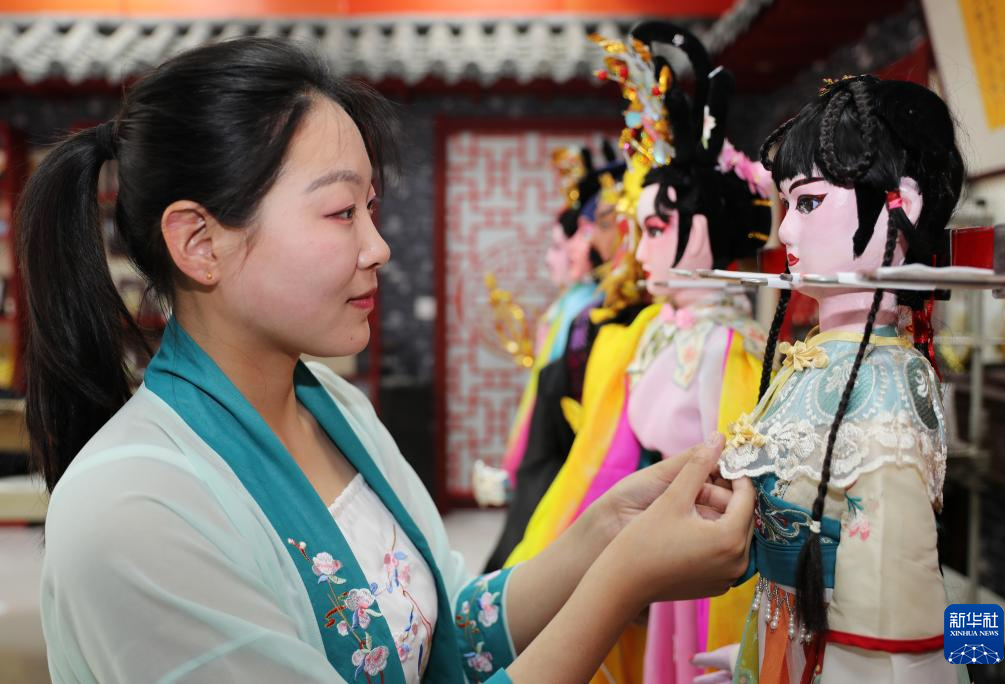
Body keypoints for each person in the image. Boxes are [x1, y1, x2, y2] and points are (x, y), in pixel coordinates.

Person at [19, 37, 754, 684]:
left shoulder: (337, 409)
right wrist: (621, 583)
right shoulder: (135, 510)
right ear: (199, 243)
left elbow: (443, 630)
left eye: (369, 209)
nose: (378, 247)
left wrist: (604, 533)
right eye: (342, 212)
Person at [719, 75, 967, 682]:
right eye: (786, 205)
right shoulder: (822, 355)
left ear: (902, 204)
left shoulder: (884, 382)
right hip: (786, 632)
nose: (786, 231)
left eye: (807, 202)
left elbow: (893, 592)